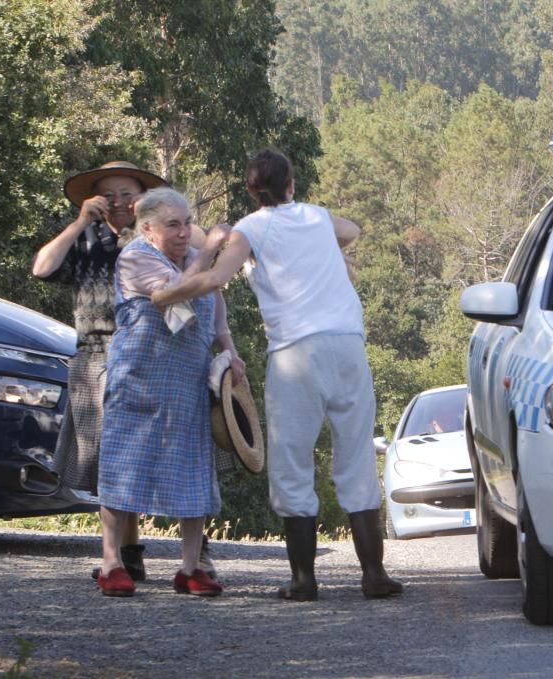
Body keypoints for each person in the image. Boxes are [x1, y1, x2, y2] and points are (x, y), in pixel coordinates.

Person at [157, 148, 403, 601]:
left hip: (295, 352)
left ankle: (304, 580)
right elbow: (352, 230)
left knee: (292, 460)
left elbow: (215, 279)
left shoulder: (250, 229)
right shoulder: (316, 217)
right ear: (292, 184)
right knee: (356, 452)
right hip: (347, 345)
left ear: (252, 192)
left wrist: (166, 294)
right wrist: (321, 247)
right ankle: (374, 575)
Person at [33, 161, 221, 582]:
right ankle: (124, 555)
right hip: (102, 352)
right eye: (108, 195)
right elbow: (42, 267)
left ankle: (194, 554)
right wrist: (81, 221)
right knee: (117, 456)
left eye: (127, 194)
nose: (118, 203)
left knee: (188, 453)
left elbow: (202, 249)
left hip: (175, 356)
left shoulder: (165, 236)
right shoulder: (88, 240)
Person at [94, 187, 244, 597]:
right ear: (147, 228)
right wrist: (210, 248)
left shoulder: (196, 265)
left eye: (188, 224)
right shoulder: (137, 257)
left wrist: (232, 356)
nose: (183, 232)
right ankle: (112, 564)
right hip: (139, 377)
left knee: (195, 468)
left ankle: (191, 568)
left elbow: (217, 322)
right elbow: (178, 289)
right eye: (173, 225)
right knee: (124, 463)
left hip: (187, 384)